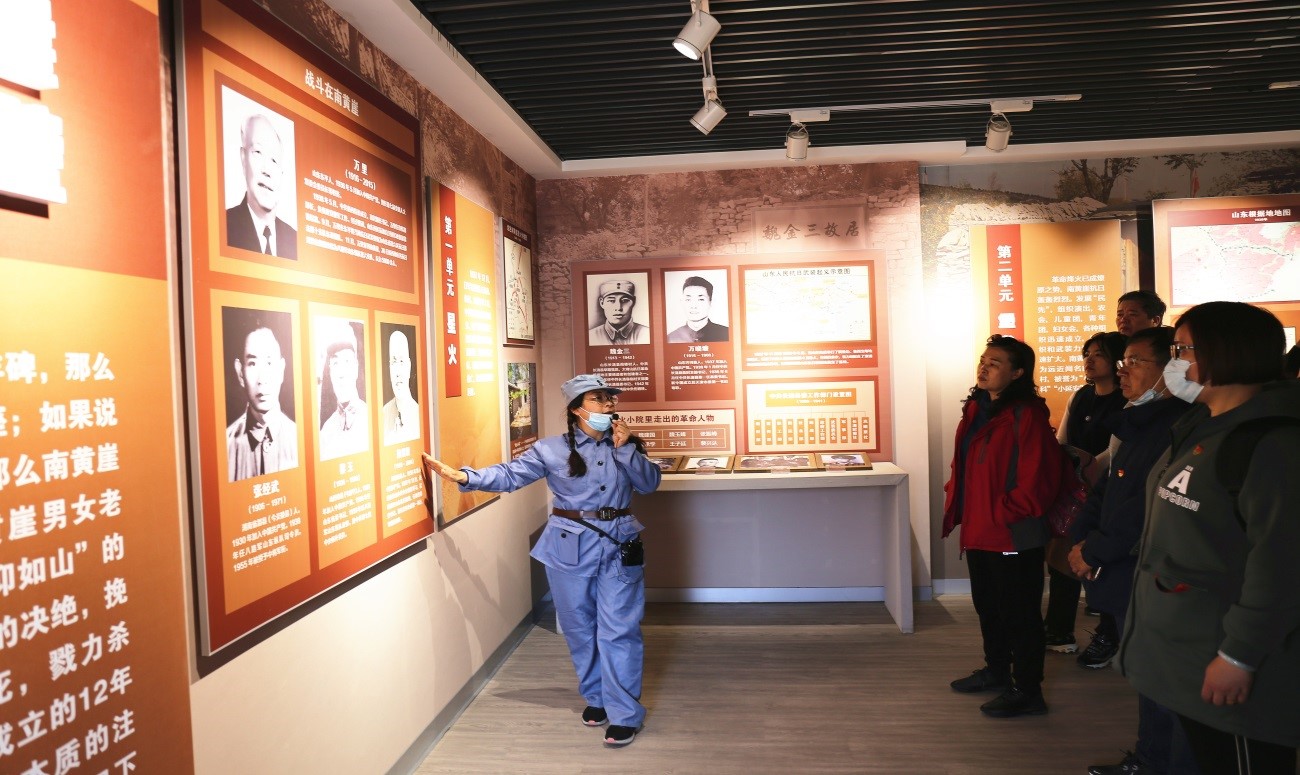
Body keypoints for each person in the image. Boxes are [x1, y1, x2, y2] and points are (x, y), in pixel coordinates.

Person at [423, 374, 661, 748]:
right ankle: (596, 697)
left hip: (621, 545)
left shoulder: (626, 444)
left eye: (610, 399)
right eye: (598, 399)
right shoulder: (551, 450)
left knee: (620, 630)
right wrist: (464, 477)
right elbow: (510, 475)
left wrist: (627, 448)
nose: (608, 405)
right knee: (579, 627)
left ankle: (625, 714)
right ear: (577, 409)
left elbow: (649, 484)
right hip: (568, 548)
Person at [1120, 301, 1300, 775]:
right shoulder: (1203, 424)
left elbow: (1281, 565)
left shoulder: (1273, 443)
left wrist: (1239, 656)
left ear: (1227, 352)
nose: (1174, 363)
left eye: (1182, 350)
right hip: (1190, 651)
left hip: (1234, 658)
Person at [1067, 327, 1199, 775]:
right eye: (1123, 361)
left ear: (1171, 369)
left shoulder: (1180, 427)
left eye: (1136, 362)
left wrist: (1094, 550)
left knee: (1163, 682)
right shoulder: (1139, 421)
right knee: (1146, 675)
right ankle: (1149, 759)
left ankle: (1161, 762)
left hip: (1150, 573)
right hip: (1125, 570)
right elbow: (1107, 490)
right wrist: (1082, 538)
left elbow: (1145, 508)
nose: (1123, 371)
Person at [943, 334, 1062, 717]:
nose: (984, 367)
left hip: (1013, 533)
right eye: (983, 360)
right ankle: (996, 670)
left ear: (1018, 373)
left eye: (995, 363)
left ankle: (1028, 690)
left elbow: (1037, 480)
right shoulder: (976, 408)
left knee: (1020, 614)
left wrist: (1003, 512)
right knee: (988, 607)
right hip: (980, 529)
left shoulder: (1026, 415)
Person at [1045, 332, 1128, 656]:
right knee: (1062, 559)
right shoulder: (1080, 396)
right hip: (1074, 491)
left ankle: (1107, 635)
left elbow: (1116, 451)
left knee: (1102, 563)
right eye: (1087, 354)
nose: (1089, 360)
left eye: (1099, 354)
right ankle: (1059, 630)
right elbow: (1062, 440)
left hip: (1108, 491)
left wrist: (1087, 465)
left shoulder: (1125, 398)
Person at [226, 323, 298, 482]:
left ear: (281, 369)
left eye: (269, 363)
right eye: (252, 363)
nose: (262, 379)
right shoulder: (225, 445)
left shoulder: (301, 440)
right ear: (240, 372)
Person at [226, 114, 297, 259]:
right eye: (258, 152)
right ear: (243, 158)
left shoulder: (295, 240)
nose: (267, 170)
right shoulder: (223, 226)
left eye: (274, 160)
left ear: (282, 174)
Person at [318, 321, 369, 460]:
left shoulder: (372, 420)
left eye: (347, 361)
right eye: (335, 363)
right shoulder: (326, 433)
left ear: (356, 368)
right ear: (330, 372)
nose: (341, 373)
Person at [382, 329, 419, 445]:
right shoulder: (383, 414)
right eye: (394, 362)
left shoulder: (419, 414)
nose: (397, 372)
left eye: (402, 362)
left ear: (409, 366)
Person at [667, 276, 729, 343]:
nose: (693, 306)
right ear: (682, 302)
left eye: (700, 299)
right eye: (688, 299)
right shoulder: (671, 338)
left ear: (711, 302)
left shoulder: (726, 334)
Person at [588, 280, 649, 346]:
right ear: (602, 303)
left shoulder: (647, 333)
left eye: (625, 301)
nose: (618, 308)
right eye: (611, 301)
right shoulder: (591, 336)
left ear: (634, 302)